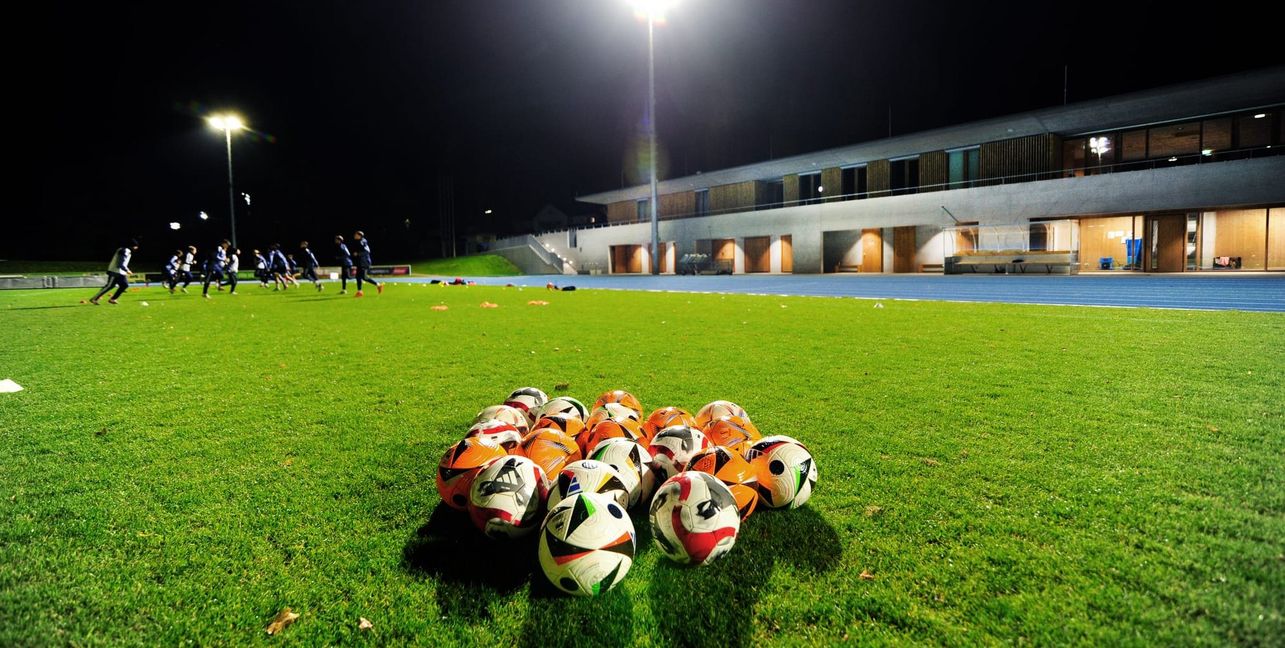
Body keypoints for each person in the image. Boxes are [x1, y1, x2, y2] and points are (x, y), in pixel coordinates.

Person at [88, 240, 138, 305]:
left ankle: (112, 299)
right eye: (136, 246)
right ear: (132, 246)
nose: (136, 248)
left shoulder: (124, 250)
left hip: (120, 272)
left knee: (124, 285)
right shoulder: (125, 251)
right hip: (115, 271)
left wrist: (126, 269)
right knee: (109, 286)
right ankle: (94, 298)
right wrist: (127, 270)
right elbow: (120, 263)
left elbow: (122, 263)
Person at [352, 230, 382, 297]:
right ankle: (359, 291)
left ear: (359, 236)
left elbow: (367, 251)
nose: (354, 235)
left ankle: (378, 285)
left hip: (364, 262)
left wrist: (358, 253)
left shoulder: (362, 241)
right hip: (360, 262)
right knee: (358, 277)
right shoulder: (359, 241)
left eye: (356, 234)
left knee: (364, 277)